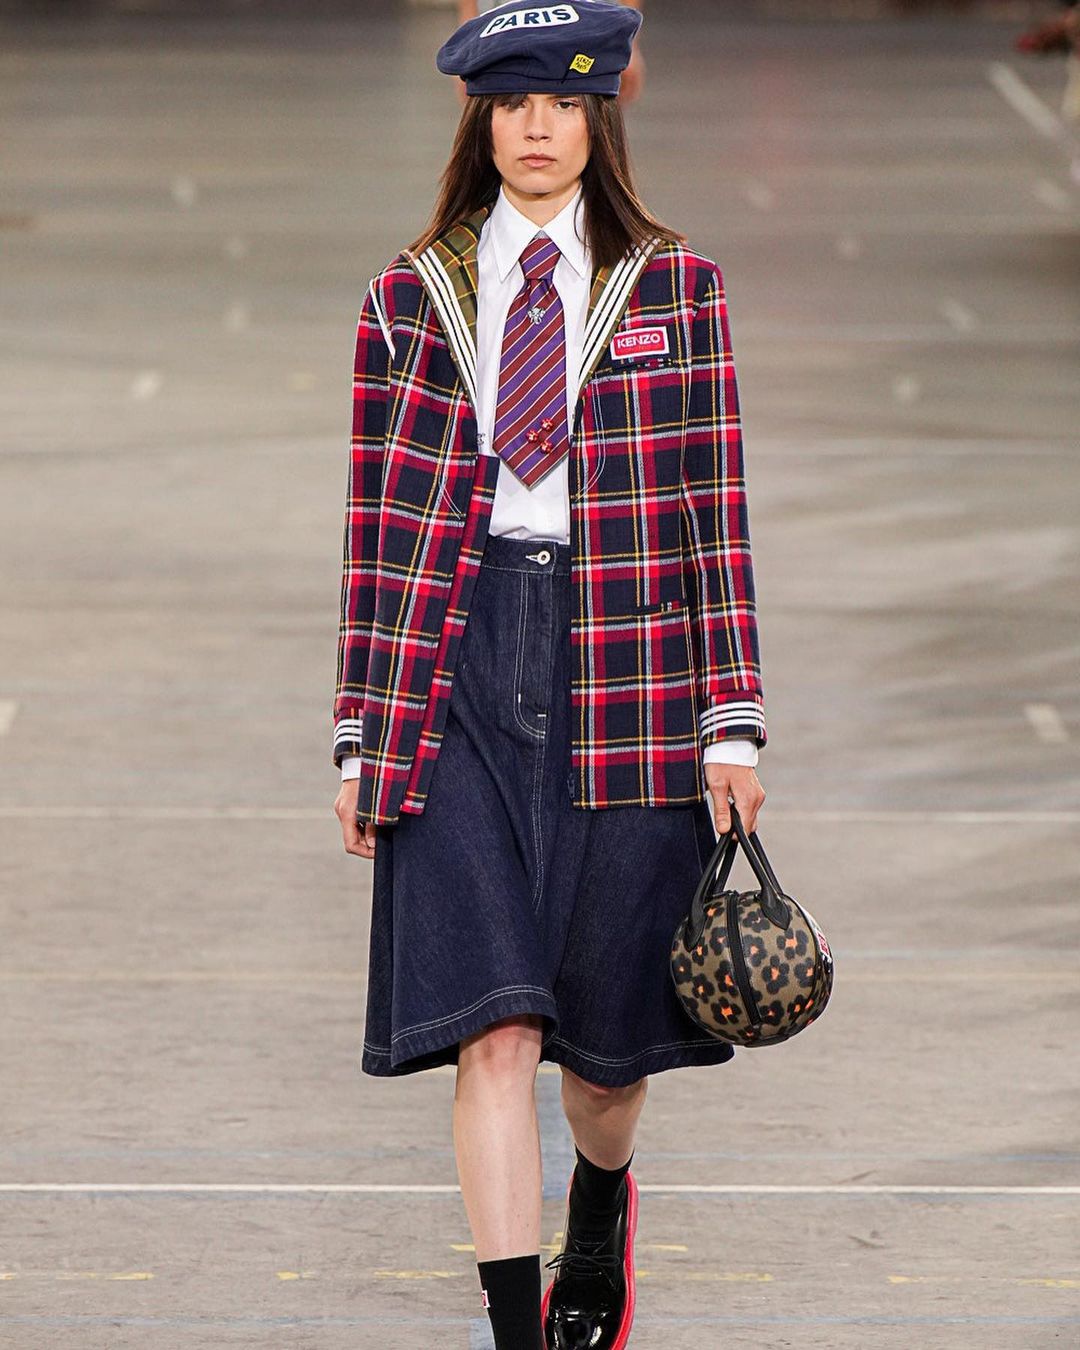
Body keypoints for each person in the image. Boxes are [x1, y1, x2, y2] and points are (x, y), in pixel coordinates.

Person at [332, 3, 767, 1346]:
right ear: (480, 121)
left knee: (605, 1059)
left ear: (600, 118)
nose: (536, 127)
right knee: (496, 1031)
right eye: (514, 104)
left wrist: (731, 721)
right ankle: (515, 1329)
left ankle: (603, 1198)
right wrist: (360, 732)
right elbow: (379, 527)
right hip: (456, 667)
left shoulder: (676, 289)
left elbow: (712, 509)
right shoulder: (412, 298)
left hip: (625, 668)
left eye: (563, 103)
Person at [457, 0, 645, 104]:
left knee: (593, 101)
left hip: (588, 18)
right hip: (506, 20)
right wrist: (470, 30)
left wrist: (627, 38)